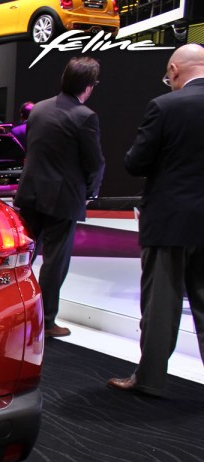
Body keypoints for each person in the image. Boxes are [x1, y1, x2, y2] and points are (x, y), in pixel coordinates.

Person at [108, 44, 204, 396]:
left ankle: (149, 379)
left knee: (161, 303)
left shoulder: (164, 106)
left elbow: (136, 162)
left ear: (175, 70)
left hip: (170, 220)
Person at [14, 56, 104, 339]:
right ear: (89, 86)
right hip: (63, 199)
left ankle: (14, 315)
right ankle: (47, 320)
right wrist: (91, 192)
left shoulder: (38, 109)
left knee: (22, 259)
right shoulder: (85, 116)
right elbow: (95, 162)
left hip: (30, 193)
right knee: (55, 263)